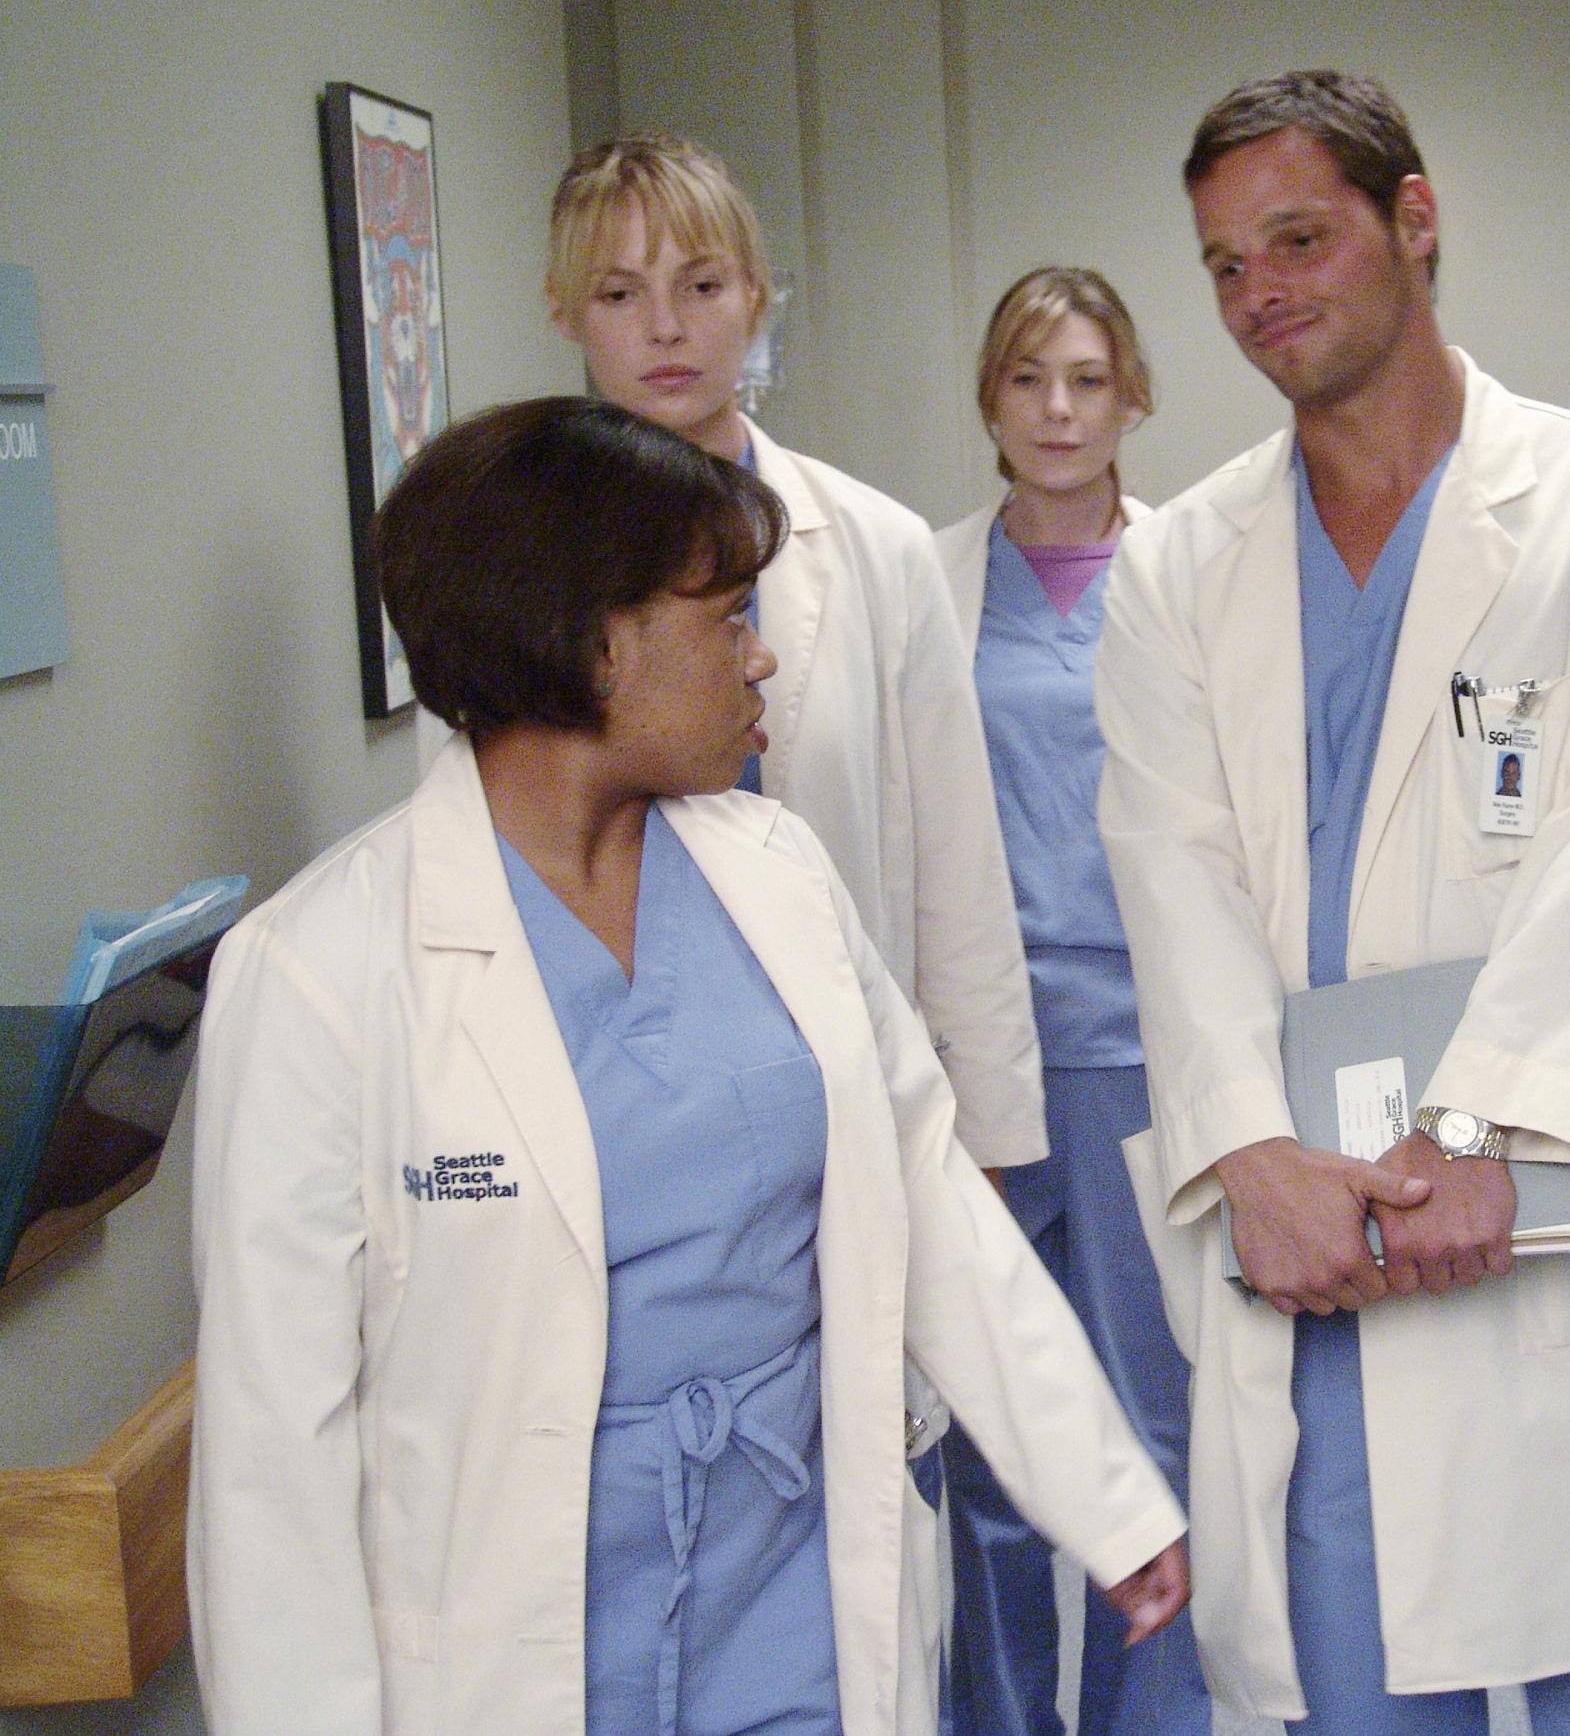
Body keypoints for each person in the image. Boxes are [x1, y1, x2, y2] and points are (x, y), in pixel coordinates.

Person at [188, 397, 1190, 1736]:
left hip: (792, 1622)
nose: (760, 657)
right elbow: (273, 1466)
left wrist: (1102, 1494)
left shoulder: (777, 876)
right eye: (724, 619)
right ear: (592, 641)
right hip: (508, 1659)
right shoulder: (316, 974)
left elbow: (931, 1206)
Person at [1095, 68, 1570, 1735]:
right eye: (1225, 264)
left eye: (1298, 239)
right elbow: (1172, 872)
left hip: (1553, 1199)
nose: (1260, 293)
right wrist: (1251, 1153)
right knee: (1357, 1670)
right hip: (1320, 1240)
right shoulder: (1177, 565)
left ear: (1415, 219)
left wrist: (1480, 1129)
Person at [536, 133, 1046, 1719]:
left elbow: (956, 862)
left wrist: (988, 1141)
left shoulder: (870, 547)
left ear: (760, 297)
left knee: (888, 1521)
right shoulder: (516, 563)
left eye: (700, 284)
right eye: (619, 292)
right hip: (617, 1134)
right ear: (566, 315)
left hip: (843, 1112)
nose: (664, 326)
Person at [929, 268, 1211, 1736]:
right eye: (1028, 379)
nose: (1056, 410)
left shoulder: (1191, 576)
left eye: (1088, 380)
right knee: (982, 1437)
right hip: (974, 1058)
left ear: (1132, 398)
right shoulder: (926, 584)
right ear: (989, 399)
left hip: (1133, 1057)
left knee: (1145, 1430)